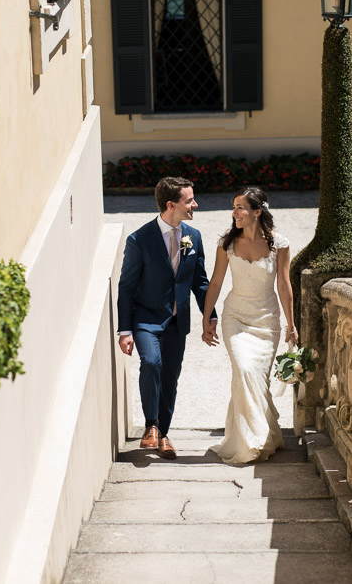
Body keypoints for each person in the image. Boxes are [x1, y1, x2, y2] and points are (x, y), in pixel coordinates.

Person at [117, 176, 216, 459]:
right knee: (151, 362)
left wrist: (210, 316)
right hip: (146, 319)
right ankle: (151, 425)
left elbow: (200, 281)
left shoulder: (193, 237)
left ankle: (163, 434)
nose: (195, 204)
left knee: (170, 377)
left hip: (176, 321)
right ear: (171, 205)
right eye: (189, 200)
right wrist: (125, 330)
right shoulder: (139, 239)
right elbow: (126, 287)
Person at [201, 186, 297, 464]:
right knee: (244, 370)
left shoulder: (280, 244)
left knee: (257, 379)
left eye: (240, 208)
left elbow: (284, 284)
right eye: (234, 207)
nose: (235, 213)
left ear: (258, 211)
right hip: (236, 318)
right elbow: (216, 281)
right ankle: (251, 441)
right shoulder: (227, 243)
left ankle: (263, 435)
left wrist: (291, 325)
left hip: (267, 322)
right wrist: (207, 318)